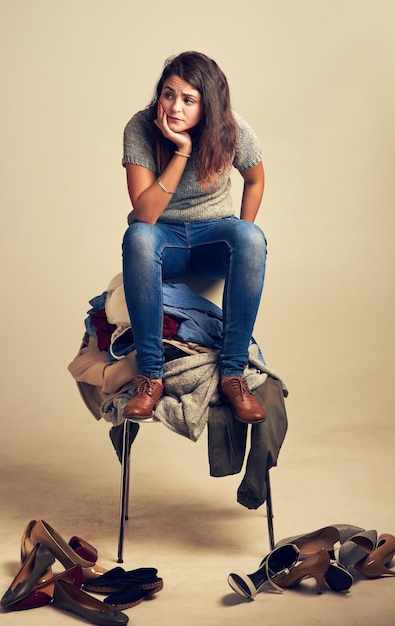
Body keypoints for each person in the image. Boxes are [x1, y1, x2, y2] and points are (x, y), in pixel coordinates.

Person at [121, 51, 267, 424]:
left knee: (250, 237)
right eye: (169, 94)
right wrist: (182, 151)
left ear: (208, 105)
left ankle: (233, 374)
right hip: (162, 238)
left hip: (212, 237)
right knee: (138, 236)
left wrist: (243, 232)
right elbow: (146, 213)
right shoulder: (140, 127)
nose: (175, 107)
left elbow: (255, 178)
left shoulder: (231, 128)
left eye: (188, 100)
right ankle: (150, 377)